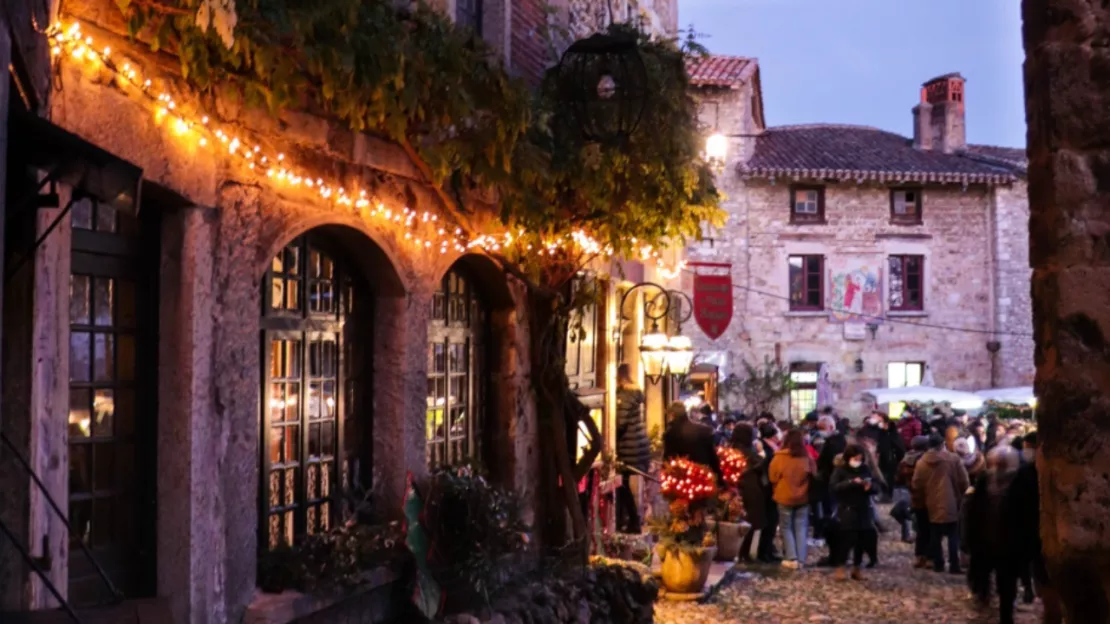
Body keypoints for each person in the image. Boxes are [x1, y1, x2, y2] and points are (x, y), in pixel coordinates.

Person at [966, 446, 1023, 624]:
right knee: (999, 577)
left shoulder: (1016, 481)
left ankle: (1002, 609)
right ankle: (998, 606)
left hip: (999, 539)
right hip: (992, 539)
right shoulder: (990, 480)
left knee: (1003, 578)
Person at [912, 433, 970, 574]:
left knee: (935, 534)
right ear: (942, 444)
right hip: (952, 500)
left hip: (931, 502)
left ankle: (938, 563)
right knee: (952, 535)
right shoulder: (953, 459)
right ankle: (954, 565)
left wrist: (919, 502)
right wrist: (963, 495)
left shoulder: (921, 462)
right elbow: (964, 480)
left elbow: (917, 484)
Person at [769, 429, 817, 569]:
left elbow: (772, 477)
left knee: (786, 527)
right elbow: (814, 474)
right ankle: (801, 559)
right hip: (803, 497)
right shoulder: (807, 457)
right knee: (801, 527)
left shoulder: (779, 457)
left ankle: (791, 557)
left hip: (784, 496)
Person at [830, 444, 876, 581]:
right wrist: (850, 482)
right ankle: (840, 567)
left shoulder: (865, 469)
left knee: (861, 541)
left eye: (860, 458)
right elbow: (834, 487)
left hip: (863, 509)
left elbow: (876, 485)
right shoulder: (840, 471)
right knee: (846, 541)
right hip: (847, 510)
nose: (858, 461)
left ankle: (857, 568)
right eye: (856, 458)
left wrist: (869, 487)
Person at [614, 364, 651, 533]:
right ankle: (627, 520)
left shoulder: (625, 395)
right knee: (623, 483)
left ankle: (632, 521)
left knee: (622, 484)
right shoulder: (635, 393)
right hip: (637, 444)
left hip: (629, 447)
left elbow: (620, 423)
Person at [731, 423, 767, 563]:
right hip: (750, 488)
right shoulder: (747, 451)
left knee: (742, 521)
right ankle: (743, 553)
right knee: (750, 522)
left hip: (739, 488)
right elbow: (758, 464)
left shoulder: (733, 449)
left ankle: (742, 553)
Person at [662, 402, 721, 478]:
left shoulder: (671, 433)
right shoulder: (703, 430)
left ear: (672, 414)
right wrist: (719, 478)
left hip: (682, 477)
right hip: (703, 475)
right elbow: (712, 457)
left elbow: (668, 458)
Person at [895, 435, 929, 548]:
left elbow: (898, 477)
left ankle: (906, 534)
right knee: (920, 515)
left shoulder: (906, 458)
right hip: (921, 490)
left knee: (907, 511)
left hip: (907, 488)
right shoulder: (924, 460)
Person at [756, 422, 783, 562]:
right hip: (768, 488)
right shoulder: (765, 448)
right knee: (770, 520)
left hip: (771, 487)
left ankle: (768, 550)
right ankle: (764, 552)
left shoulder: (770, 447)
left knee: (772, 521)